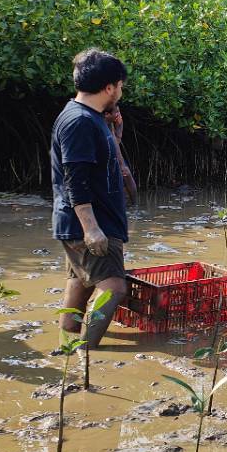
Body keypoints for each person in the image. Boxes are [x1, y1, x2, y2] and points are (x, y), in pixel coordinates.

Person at [51, 48, 129, 348]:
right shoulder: (80, 122)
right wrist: (92, 228)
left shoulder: (89, 117)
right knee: (114, 287)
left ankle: (67, 342)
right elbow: (75, 178)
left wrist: (114, 135)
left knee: (81, 282)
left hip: (89, 220)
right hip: (91, 222)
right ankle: (86, 352)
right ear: (109, 87)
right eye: (120, 86)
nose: (121, 91)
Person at [102, 105, 138, 204]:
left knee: (126, 175)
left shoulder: (110, 122)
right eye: (116, 112)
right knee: (125, 175)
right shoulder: (102, 124)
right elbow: (114, 143)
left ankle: (134, 206)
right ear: (106, 114)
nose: (118, 115)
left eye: (119, 112)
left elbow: (117, 138)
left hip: (113, 154)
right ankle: (134, 206)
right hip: (107, 156)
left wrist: (119, 125)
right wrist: (121, 164)